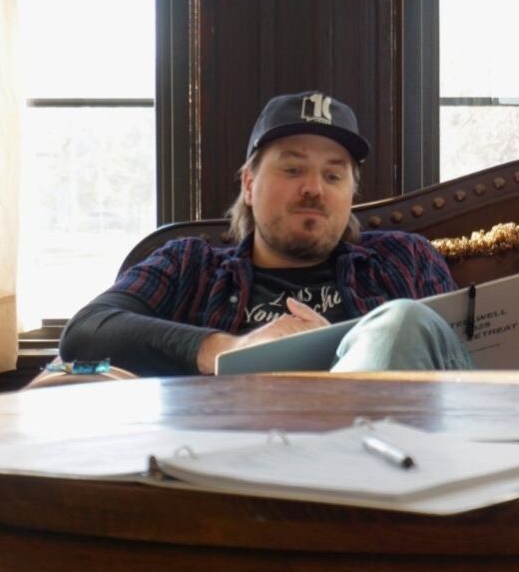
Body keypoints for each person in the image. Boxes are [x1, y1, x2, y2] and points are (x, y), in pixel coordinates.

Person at [58, 91, 470, 378]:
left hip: (393, 456)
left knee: (403, 320)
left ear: (351, 194)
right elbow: (86, 332)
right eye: (292, 169)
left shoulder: (405, 259)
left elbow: (464, 372)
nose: (314, 188)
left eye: (333, 175)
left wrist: (344, 352)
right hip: (236, 456)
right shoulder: (189, 265)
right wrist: (228, 350)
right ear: (249, 184)